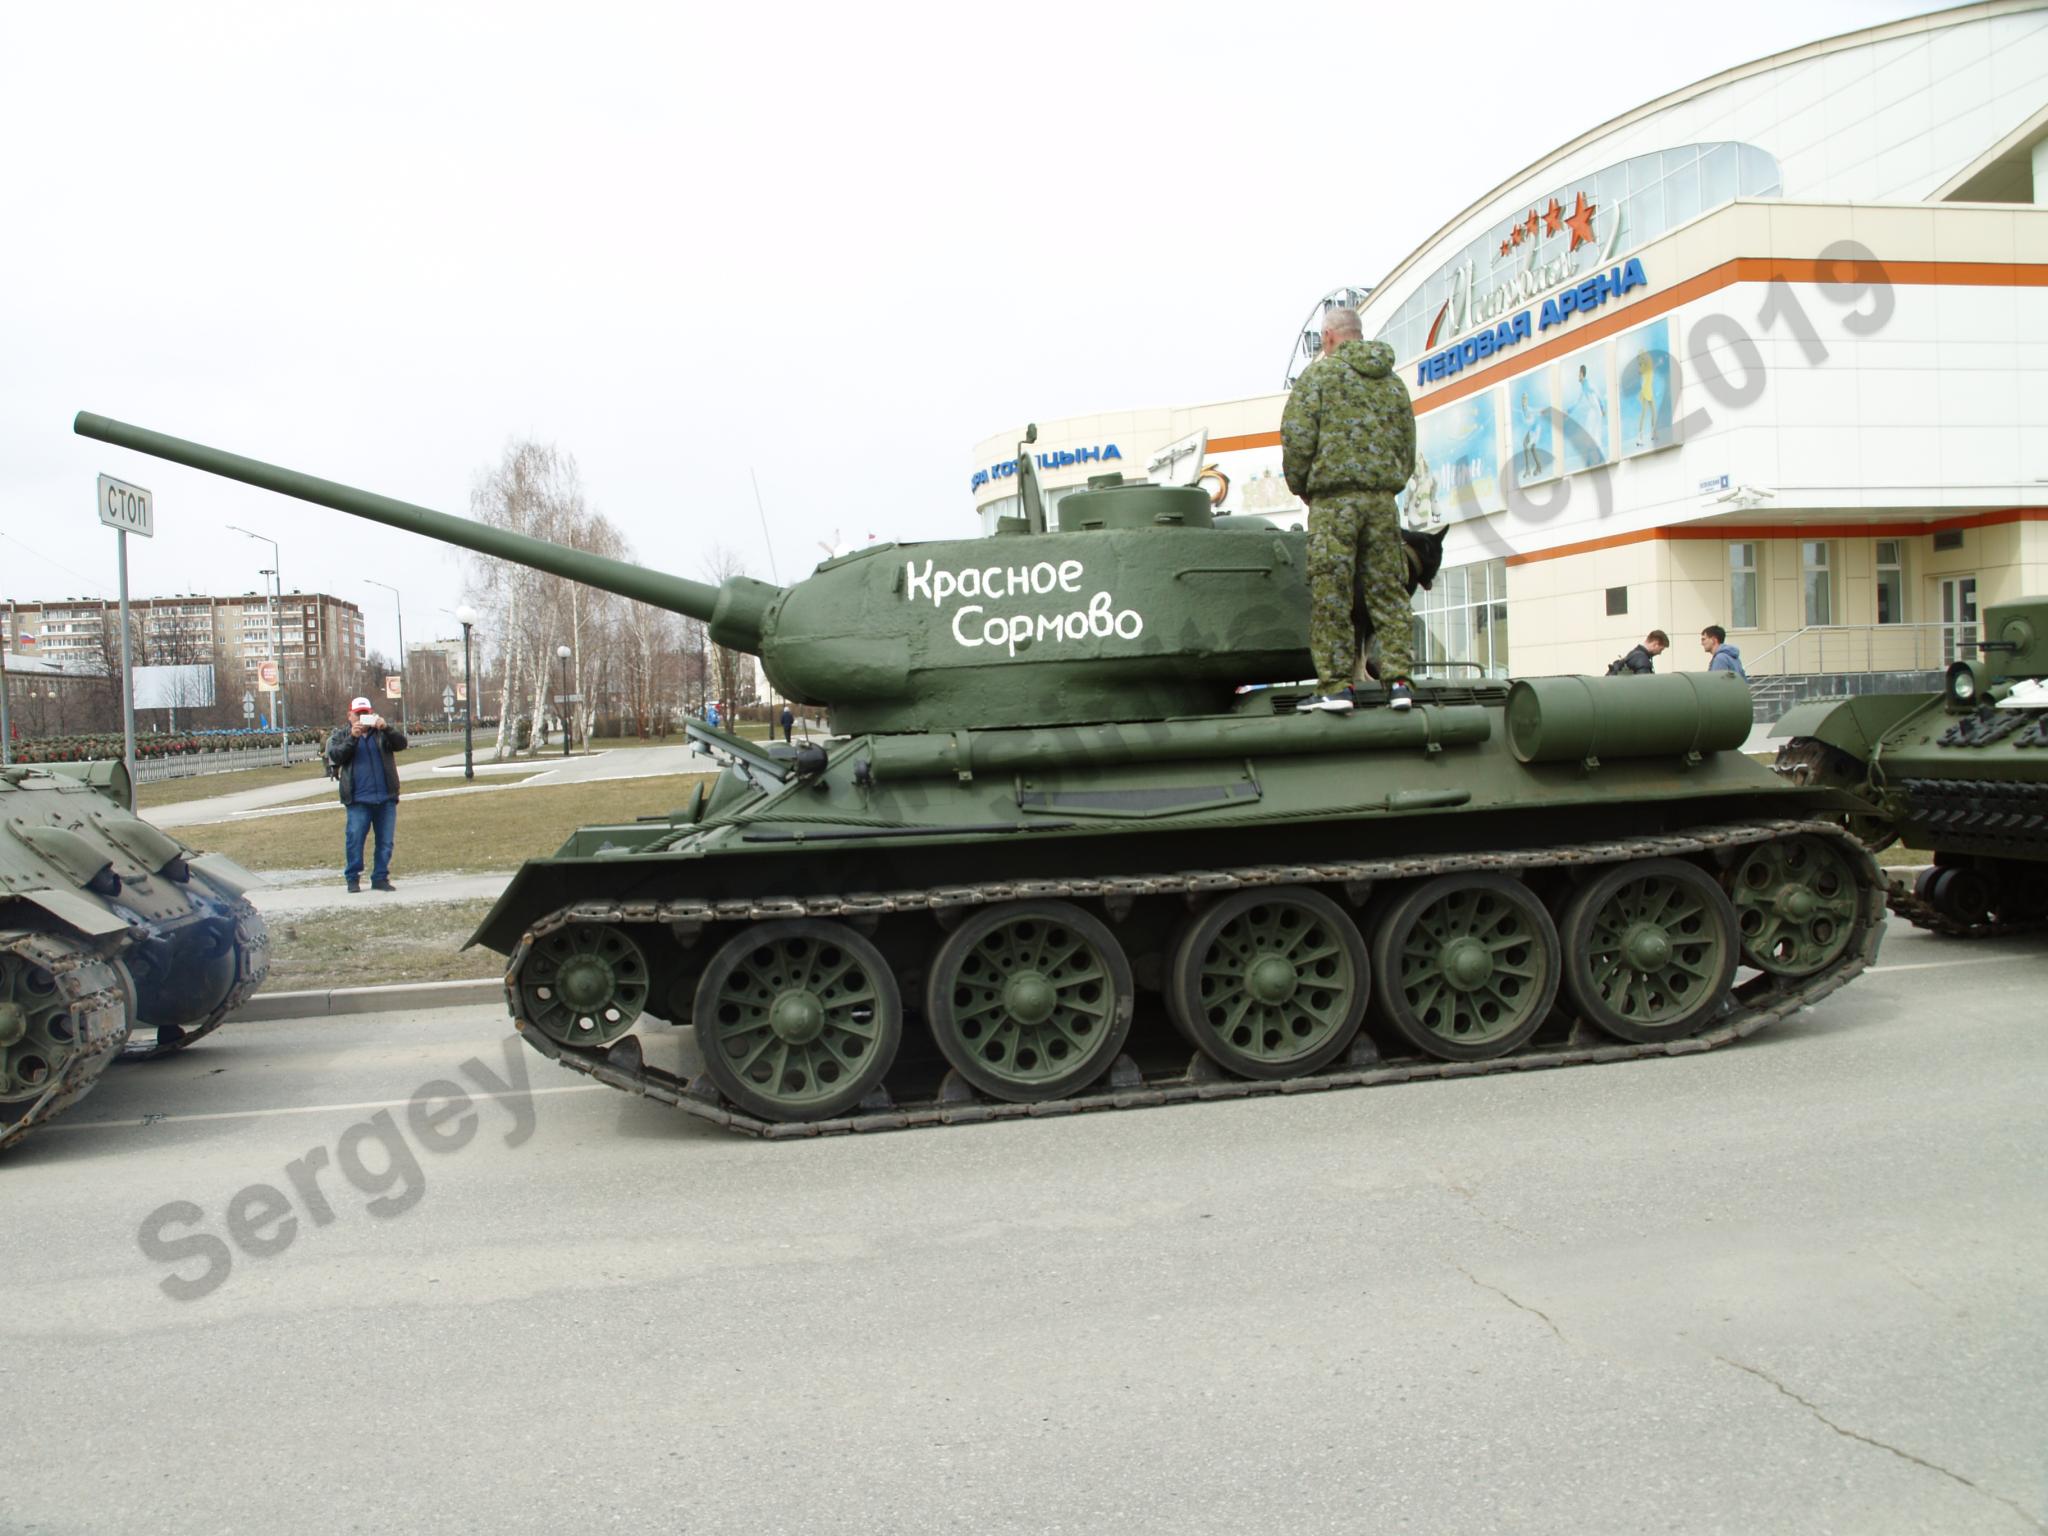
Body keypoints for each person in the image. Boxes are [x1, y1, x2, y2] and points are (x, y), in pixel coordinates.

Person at [1280, 306, 1418, 713]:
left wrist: (1302, 487)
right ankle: (1399, 682)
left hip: (1334, 502)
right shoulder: (1393, 384)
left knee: (1332, 594)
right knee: (1389, 592)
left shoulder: (1318, 377)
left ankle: (1336, 687)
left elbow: (1298, 437)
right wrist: (1388, 483)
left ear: (1327, 338)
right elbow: (1408, 445)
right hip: (1381, 502)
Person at [326, 696, 408, 893]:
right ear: (350, 716)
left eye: (366, 714)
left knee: (385, 841)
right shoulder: (341, 735)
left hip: (385, 797)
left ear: (372, 714)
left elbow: (401, 744)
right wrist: (352, 738)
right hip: (358, 799)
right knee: (354, 839)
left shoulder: (381, 734)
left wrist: (386, 728)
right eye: (359, 714)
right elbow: (336, 756)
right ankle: (352, 878)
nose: (363, 718)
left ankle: (380, 877)